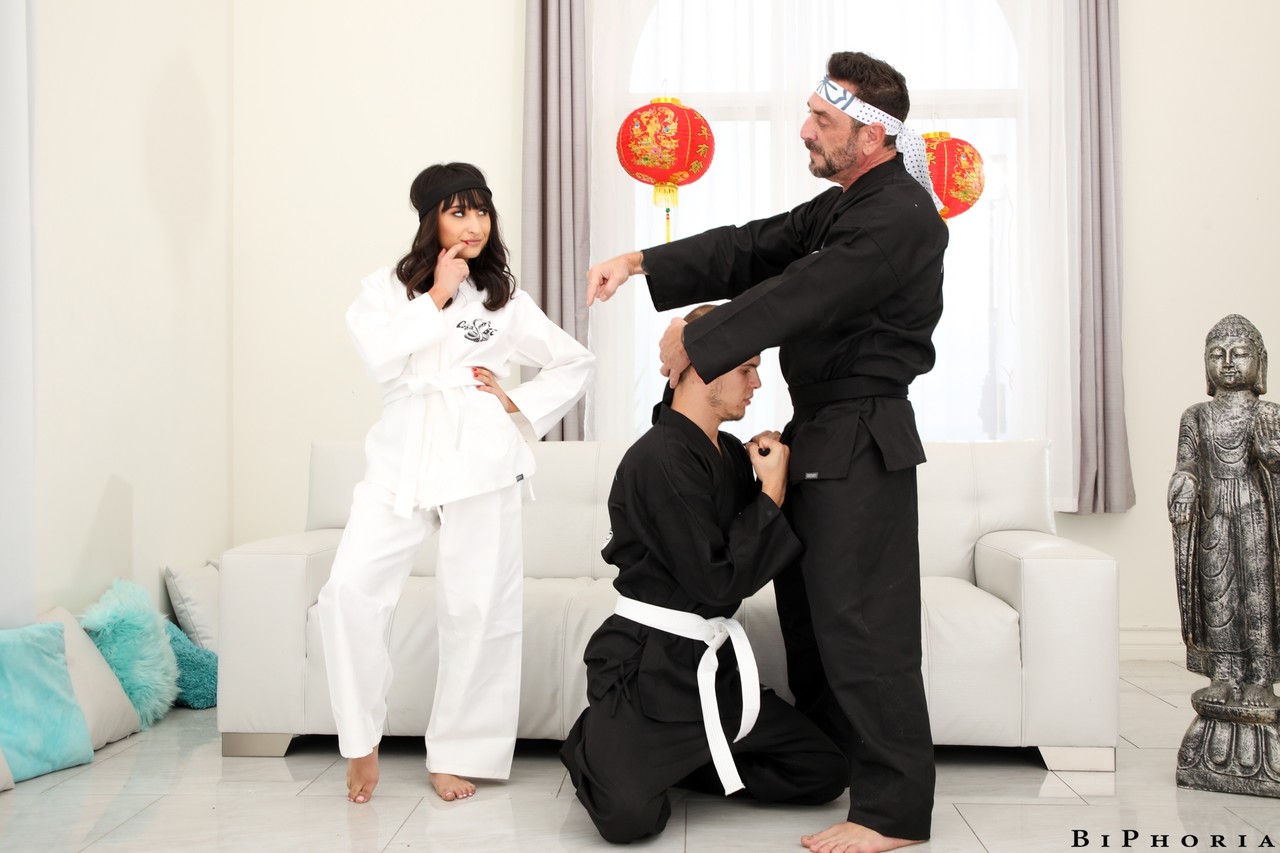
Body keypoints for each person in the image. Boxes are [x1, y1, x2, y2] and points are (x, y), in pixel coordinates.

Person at [585, 52, 948, 852]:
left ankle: (892, 814)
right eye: (810, 114)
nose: (805, 130)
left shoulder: (901, 215)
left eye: (822, 120)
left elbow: (803, 293)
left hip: (864, 434)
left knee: (864, 624)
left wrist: (701, 340)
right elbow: (755, 248)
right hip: (820, 429)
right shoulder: (844, 206)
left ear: (872, 135)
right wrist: (641, 262)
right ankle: (846, 769)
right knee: (812, 620)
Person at [318, 162, 595, 805]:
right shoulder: (386, 288)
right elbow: (379, 357)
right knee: (349, 593)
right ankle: (359, 740)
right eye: (457, 211)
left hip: (480, 458)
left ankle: (459, 753)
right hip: (402, 459)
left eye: (481, 211)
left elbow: (574, 361)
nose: (473, 225)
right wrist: (437, 296)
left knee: (479, 606)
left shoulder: (502, 299)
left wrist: (514, 402)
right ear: (431, 220)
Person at [560, 304, 848, 844]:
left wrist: (764, 476)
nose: (757, 383)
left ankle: (685, 759)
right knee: (628, 820)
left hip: (712, 669)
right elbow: (717, 581)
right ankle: (597, 740)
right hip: (649, 666)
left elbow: (743, 549)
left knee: (824, 771)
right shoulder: (658, 460)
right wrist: (771, 493)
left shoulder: (732, 455)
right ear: (704, 367)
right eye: (747, 368)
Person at [1168, 314, 1280, 708]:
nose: (1228, 362)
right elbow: (1187, 462)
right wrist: (1184, 484)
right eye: (1217, 354)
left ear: (1259, 362)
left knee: (1258, 593)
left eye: (1240, 353)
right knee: (1217, 592)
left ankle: (1261, 677)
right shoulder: (1196, 416)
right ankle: (1224, 673)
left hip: (1255, 513)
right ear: (1206, 365)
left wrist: (1272, 458)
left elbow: (1276, 465)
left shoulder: (1268, 413)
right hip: (1213, 512)